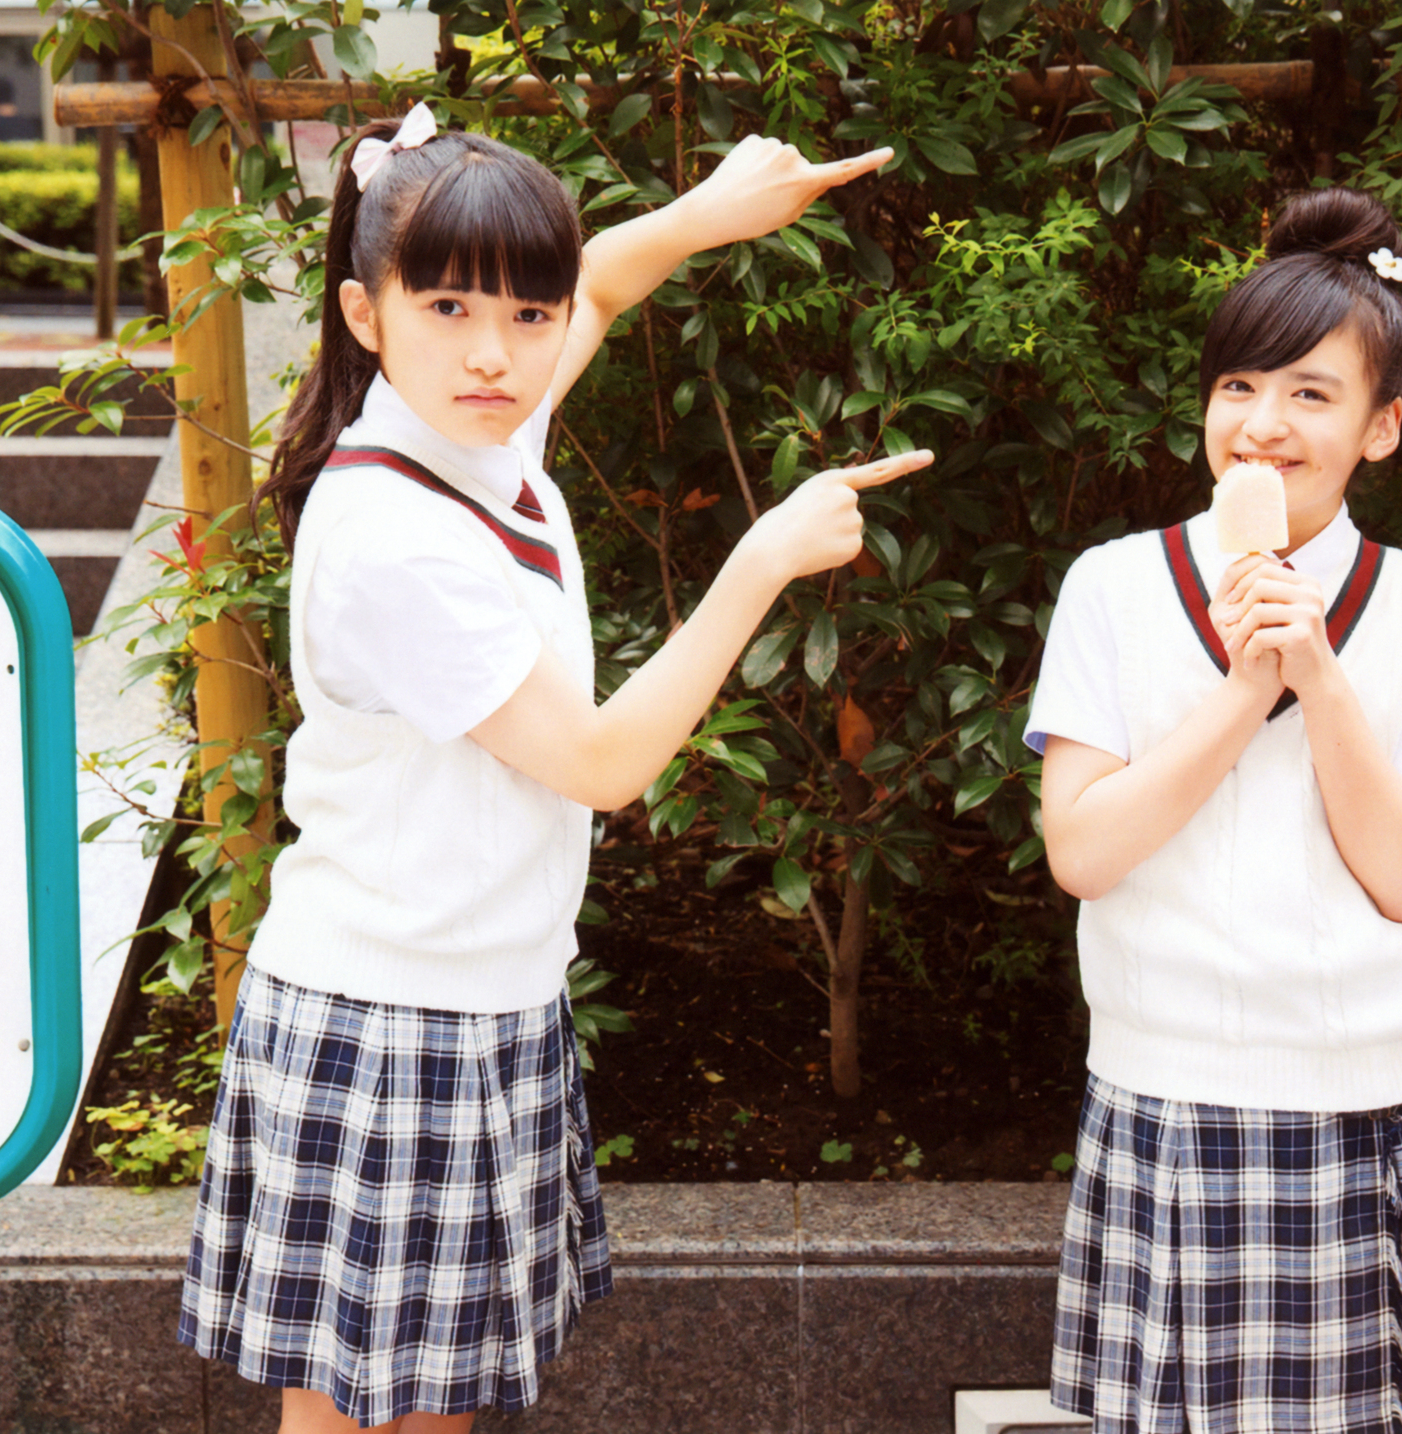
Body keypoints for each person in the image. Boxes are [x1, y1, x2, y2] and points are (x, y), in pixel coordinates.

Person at [177, 104, 927, 1434]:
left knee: (407, 1411)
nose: (496, 351)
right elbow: (599, 762)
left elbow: (607, 281)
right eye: (449, 307)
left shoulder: (466, 439)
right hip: (396, 1023)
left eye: (529, 315)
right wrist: (760, 561)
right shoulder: (399, 530)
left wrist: (707, 214)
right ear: (364, 314)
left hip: (452, 999)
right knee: (377, 1421)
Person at [1027, 187, 1402, 1433]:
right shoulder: (1112, 587)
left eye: (1311, 394)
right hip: (1171, 1088)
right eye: (1238, 387)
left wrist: (1318, 677)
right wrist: (1244, 684)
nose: (1262, 426)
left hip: (1380, 1095)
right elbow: (1081, 850)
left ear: (1380, 427)